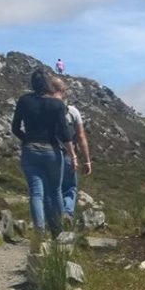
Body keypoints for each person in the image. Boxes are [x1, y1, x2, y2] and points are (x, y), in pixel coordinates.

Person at [9, 68, 74, 235]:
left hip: (30, 151)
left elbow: (15, 128)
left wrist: (27, 139)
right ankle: (58, 232)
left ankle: (39, 230)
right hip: (52, 151)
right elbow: (65, 133)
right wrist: (73, 156)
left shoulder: (24, 101)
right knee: (55, 191)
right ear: (48, 84)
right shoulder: (57, 104)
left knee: (36, 193)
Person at [56, 84, 91, 225]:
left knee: (53, 187)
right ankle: (67, 214)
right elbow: (81, 137)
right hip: (69, 155)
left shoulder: (45, 110)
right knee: (70, 187)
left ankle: (53, 218)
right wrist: (87, 160)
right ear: (64, 93)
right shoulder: (72, 111)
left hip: (50, 152)